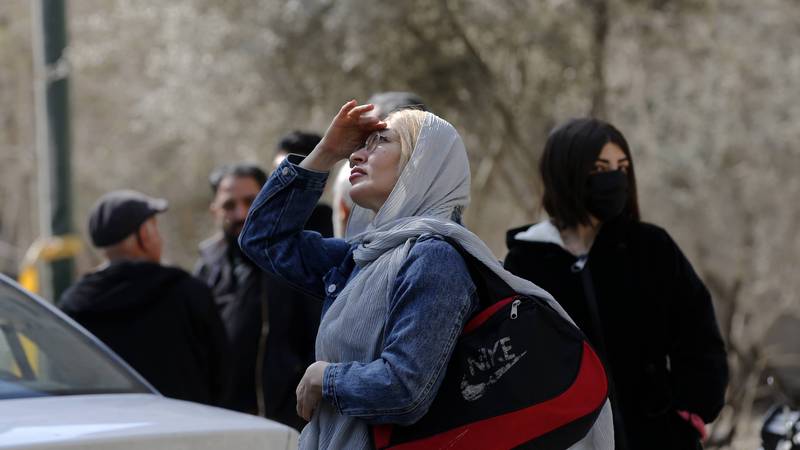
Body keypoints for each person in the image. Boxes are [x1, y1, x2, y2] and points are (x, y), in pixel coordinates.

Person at [239, 101, 613, 449]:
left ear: (422, 162)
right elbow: (263, 239)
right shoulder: (363, 258)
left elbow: (405, 391)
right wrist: (326, 152)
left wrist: (326, 377)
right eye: (359, 146)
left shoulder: (432, 257)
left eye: (380, 141)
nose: (356, 154)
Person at [504, 118, 729, 450]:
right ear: (566, 173)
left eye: (622, 168)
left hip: (660, 438)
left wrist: (693, 408)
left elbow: (698, 332)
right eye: (599, 167)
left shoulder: (651, 247)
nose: (613, 178)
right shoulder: (527, 262)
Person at [59, 190, 228, 406]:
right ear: (145, 235)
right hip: (185, 426)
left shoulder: (73, 304)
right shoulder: (186, 291)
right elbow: (221, 371)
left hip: (107, 429)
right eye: (154, 227)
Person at [195, 163, 321, 429]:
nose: (241, 213)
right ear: (215, 210)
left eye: (250, 201)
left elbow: (318, 340)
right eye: (230, 205)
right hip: (223, 423)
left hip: (287, 422)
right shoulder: (206, 270)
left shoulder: (293, 262)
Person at [272, 131, 334, 237]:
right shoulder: (256, 220)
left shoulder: (332, 226)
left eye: (288, 173)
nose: (277, 180)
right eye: (276, 171)